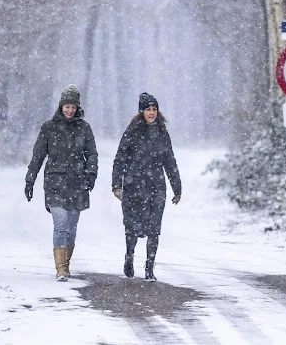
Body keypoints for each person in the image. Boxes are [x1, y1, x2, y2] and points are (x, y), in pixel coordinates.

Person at [24, 84, 98, 281]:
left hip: (77, 183)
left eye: (73, 106)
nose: (70, 110)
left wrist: (91, 174)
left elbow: (91, 153)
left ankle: (66, 263)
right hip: (55, 182)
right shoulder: (49, 127)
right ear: (61, 106)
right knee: (61, 224)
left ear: (77, 107)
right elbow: (38, 155)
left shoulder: (84, 128)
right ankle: (61, 269)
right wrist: (30, 179)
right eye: (67, 106)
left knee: (72, 227)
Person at [112, 92, 181, 282]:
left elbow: (170, 161)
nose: (152, 113)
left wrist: (177, 187)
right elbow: (120, 159)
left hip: (156, 186)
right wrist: (117, 184)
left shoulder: (162, 133)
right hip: (134, 186)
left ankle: (150, 267)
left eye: (154, 109)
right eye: (148, 109)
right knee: (132, 227)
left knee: (154, 228)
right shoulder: (132, 132)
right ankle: (129, 256)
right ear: (141, 112)